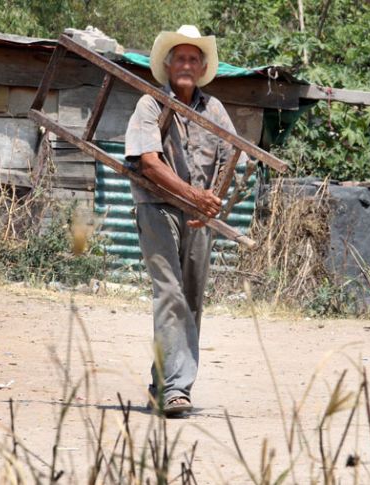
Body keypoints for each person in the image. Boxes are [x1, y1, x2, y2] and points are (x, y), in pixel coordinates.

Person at [125, 25, 248, 416]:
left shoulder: (214, 110)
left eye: (194, 59)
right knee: (170, 294)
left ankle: (164, 383)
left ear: (202, 67)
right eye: (180, 57)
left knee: (191, 299)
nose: (187, 64)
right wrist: (194, 196)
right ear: (168, 65)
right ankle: (175, 390)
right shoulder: (150, 105)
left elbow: (234, 157)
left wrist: (213, 203)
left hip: (198, 219)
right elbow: (148, 162)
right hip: (157, 207)